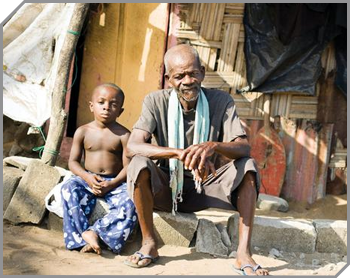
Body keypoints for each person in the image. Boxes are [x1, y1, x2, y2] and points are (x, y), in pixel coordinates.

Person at [124, 44, 269, 275]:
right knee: (139, 163)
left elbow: (244, 147)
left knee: (248, 166)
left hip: (207, 186)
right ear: (168, 78)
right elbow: (133, 146)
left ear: (202, 72)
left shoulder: (221, 100)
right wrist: (177, 153)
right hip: (166, 189)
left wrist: (214, 146)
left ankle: (243, 253)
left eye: (193, 73)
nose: (187, 81)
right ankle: (149, 243)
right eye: (179, 76)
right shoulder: (154, 101)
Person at [61, 83, 138, 255]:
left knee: (132, 199)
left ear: (120, 111)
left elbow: (129, 167)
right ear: (91, 106)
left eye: (113, 104)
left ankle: (97, 232)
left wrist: (112, 184)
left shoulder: (124, 135)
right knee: (68, 188)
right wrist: (87, 177)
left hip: (116, 182)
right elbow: (73, 162)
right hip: (88, 179)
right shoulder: (83, 131)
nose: (106, 107)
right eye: (101, 102)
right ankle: (80, 238)